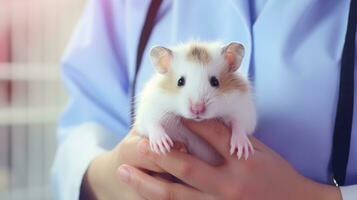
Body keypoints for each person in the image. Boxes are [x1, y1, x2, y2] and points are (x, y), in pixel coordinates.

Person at [52, 0, 357, 199]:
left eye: (213, 82)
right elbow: (84, 124)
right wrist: (108, 176)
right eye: (182, 82)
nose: (198, 104)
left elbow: (245, 117)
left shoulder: (236, 92)